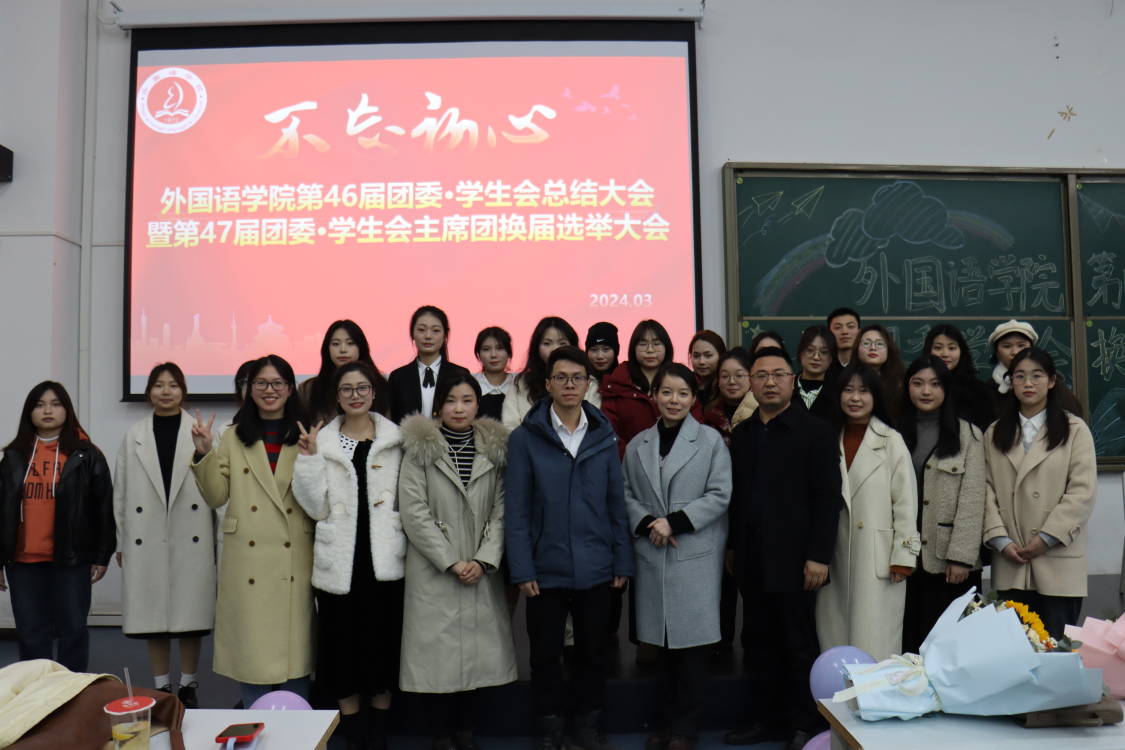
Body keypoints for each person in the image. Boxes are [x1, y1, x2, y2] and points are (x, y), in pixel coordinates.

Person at [505, 346, 633, 750]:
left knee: (593, 653)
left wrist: (622, 559)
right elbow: (517, 509)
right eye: (561, 377)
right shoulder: (525, 438)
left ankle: (587, 724)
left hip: (597, 563)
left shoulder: (603, 435)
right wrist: (522, 567)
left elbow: (616, 503)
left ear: (588, 384)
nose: (570, 385)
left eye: (578, 378)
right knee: (545, 654)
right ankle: (550, 727)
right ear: (547, 384)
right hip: (545, 566)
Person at [724, 348, 841, 750]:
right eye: (761, 376)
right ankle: (763, 719)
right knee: (757, 642)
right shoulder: (742, 435)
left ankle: (802, 723)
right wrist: (733, 548)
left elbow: (828, 499)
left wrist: (819, 556)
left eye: (778, 374)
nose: (769, 382)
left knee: (797, 643)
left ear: (793, 381)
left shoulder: (817, 432)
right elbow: (736, 500)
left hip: (797, 561)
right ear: (751, 384)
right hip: (752, 558)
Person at [291, 361, 406, 750]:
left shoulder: (396, 439)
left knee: (383, 644)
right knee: (341, 647)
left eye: (362, 388)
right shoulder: (322, 442)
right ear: (336, 396)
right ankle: (353, 729)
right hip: (340, 562)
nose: (355, 395)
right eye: (347, 389)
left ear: (374, 392)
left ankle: (380, 730)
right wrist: (308, 460)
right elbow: (314, 506)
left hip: (384, 560)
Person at [398, 375, 517, 750]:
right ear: (438, 406)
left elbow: (502, 512)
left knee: (475, 659)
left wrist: (483, 559)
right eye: (451, 400)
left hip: (480, 568)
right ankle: (440, 735)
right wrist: (451, 561)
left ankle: (466, 732)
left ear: (478, 405)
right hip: (435, 569)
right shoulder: (419, 448)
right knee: (438, 660)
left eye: (467, 400)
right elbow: (413, 511)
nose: (459, 408)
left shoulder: (495, 451)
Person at [191, 354, 315, 707]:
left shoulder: (306, 436)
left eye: (277, 383)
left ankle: (297, 729)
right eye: (261, 383)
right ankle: (255, 721)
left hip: (294, 557)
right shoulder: (232, 436)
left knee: (295, 660)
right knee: (253, 657)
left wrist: (313, 458)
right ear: (249, 389)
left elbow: (318, 498)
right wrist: (204, 454)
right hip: (248, 560)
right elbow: (216, 495)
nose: (269, 390)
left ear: (290, 389)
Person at [622, 364, 731, 750]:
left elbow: (720, 494)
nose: (674, 400)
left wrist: (675, 522)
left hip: (693, 553)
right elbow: (625, 493)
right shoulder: (638, 444)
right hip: (653, 553)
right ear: (654, 395)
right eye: (666, 392)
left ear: (693, 398)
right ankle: (666, 724)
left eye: (683, 393)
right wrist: (648, 522)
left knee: (692, 652)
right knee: (661, 652)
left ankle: (686, 729)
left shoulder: (710, 441)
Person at [113, 363, 215, 708]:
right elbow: (121, 493)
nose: (166, 391)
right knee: (152, 616)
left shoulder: (199, 431)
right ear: (149, 392)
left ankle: (188, 684)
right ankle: (162, 686)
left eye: (173, 385)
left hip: (192, 534)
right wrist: (121, 540)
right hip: (146, 535)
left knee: (190, 617)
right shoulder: (134, 435)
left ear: (183, 391)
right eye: (159, 385)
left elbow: (217, 489)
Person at [0, 381, 114, 672]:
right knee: (30, 633)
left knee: (73, 631)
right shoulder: (13, 455)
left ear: (67, 410)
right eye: (39, 405)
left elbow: (103, 507)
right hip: (23, 561)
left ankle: (72, 694)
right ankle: (37, 693)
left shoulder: (86, 454)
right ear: (29, 412)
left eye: (55, 404)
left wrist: (102, 555)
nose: (47, 410)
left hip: (71, 559)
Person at [982, 347, 1096, 638]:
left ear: (1052, 381)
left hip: (1058, 559)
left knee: (1056, 649)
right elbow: (984, 490)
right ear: (1011, 383)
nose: (1028, 383)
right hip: (1011, 558)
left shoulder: (1074, 430)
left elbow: (1082, 492)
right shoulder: (994, 433)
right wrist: (1000, 539)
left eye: (1036, 376)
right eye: (1020, 376)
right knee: (1013, 651)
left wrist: (1046, 538)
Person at [816, 364, 919, 661]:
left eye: (863, 391)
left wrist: (903, 557)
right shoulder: (826, 438)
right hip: (834, 555)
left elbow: (905, 503)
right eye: (848, 390)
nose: (855, 398)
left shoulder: (890, 441)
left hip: (878, 558)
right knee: (835, 638)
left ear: (876, 396)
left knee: (874, 640)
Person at [897, 356, 986, 654]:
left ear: (946, 390)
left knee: (953, 648)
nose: (926, 391)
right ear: (907, 387)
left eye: (935, 384)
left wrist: (961, 557)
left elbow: (973, 499)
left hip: (949, 562)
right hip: (906, 558)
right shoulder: (893, 432)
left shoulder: (969, 435)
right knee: (910, 644)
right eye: (918, 383)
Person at [601, 320, 698, 459]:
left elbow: (696, 422)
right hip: (631, 462)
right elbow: (610, 432)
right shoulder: (617, 383)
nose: (650, 350)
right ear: (633, 348)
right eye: (643, 344)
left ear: (667, 347)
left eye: (656, 344)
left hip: (680, 461)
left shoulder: (682, 378)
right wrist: (633, 460)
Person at [503, 316, 600, 429]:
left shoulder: (588, 382)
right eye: (547, 343)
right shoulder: (521, 383)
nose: (555, 349)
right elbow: (510, 425)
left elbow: (594, 424)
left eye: (562, 343)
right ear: (537, 348)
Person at [388, 306, 471, 424]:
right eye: (421, 330)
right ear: (412, 333)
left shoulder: (460, 374)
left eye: (435, 330)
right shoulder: (398, 377)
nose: (428, 336)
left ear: (445, 335)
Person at [986, 320, 1083, 419]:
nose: (1015, 352)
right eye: (1006, 346)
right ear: (996, 352)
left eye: (1021, 345)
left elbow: (1073, 419)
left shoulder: (1052, 384)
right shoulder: (987, 390)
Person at [299, 320, 390, 425]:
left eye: (350, 343)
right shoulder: (308, 389)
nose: (343, 350)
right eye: (336, 344)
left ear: (361, 348)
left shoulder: (381, 385)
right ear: (327, 349)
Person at [923, 324, 994, 430]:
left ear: (961, 351)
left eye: (952, 348)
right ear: (928, 351)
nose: (945, 354)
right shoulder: (920, 388)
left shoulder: (979, 391)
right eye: (938, 348)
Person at [702, 348, 757, 446]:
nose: (731, 381)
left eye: (739, 375)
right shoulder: (709, 415)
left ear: (751, 377)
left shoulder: (761, 413)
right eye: (725, 376)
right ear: (718, 381)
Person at [855, 324, 905, 418]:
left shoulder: (901, 382)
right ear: (857, 348)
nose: (873, 348)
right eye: (866, 343)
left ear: (889, 350)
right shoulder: (847, 379)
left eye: (879, 344)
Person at [792, 325, 840, 421]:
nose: (816, 357)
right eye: (810, 350)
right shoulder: (787, 387)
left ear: (831, 358)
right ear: (800, 353)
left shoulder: (839, 391)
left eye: (824, 352)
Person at [473, 326, 515, 422]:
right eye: (486, 349)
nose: (493, 355)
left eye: (500, 348)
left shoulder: (519, 384)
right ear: (478, 354)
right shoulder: (470, 384)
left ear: (509, 352)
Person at [688, 330, 726, 407]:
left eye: (708, 356)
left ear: (721, 355)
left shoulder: (727, 385)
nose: (701, 361)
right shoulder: (686, 383)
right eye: (696, 356)